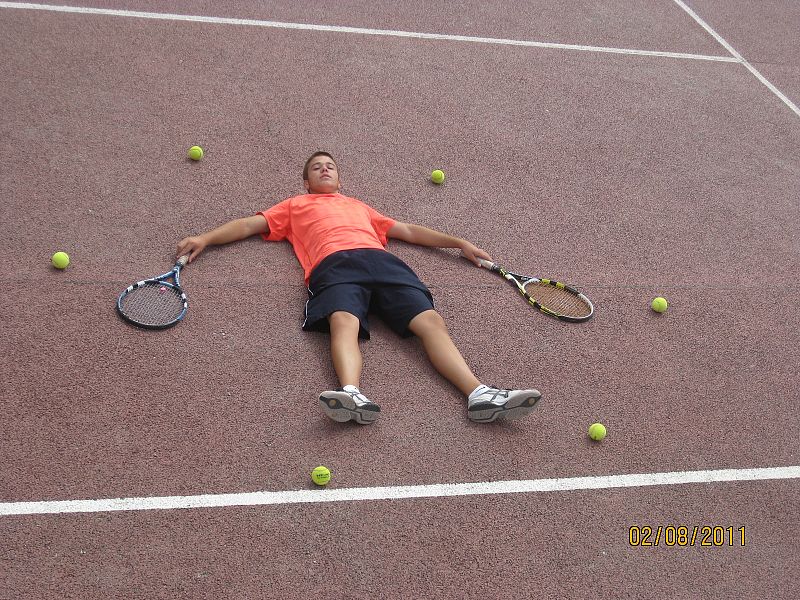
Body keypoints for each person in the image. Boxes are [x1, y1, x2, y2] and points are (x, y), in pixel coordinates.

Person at [176, 151, 541, 425]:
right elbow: (246, 225)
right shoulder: (293, 206)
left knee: (430, 322)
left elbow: (408, 231)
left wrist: (457, 242)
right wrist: (206, 238)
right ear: (306, 182)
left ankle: (479, 394)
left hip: (384, 263)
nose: (324, 169)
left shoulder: (359, 207)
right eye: (316, 167)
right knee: (344, 321)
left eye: (330, 166)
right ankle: (350, 392)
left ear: (339, 179)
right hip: (334, 266)